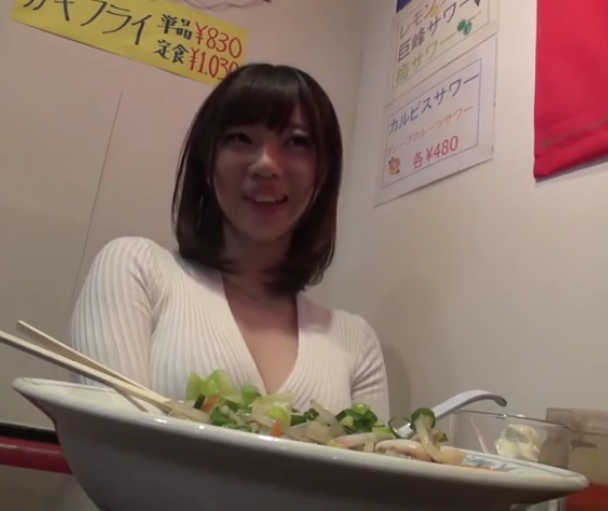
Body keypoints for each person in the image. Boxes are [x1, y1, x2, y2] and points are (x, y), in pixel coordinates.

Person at [68, 63, 388, 417]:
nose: (266, 164)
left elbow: (369, 453)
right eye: (240, 138)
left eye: (296, 142)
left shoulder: (355, 341)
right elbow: (107, 441)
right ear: (208, 160)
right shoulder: (135, 270)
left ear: (324, 172)